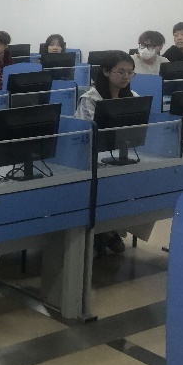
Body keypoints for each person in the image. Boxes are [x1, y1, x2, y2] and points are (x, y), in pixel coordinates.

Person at [74, 50, 151, 255]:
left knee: (144, 185)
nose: (126, 77)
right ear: (106, 72)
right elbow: (86, 135)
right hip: (92, 157)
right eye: (121, 72)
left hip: (121, 155)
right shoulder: (90, 99)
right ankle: (104, 230)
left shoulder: (133, 97)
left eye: (130, 72)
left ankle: (113, 228)